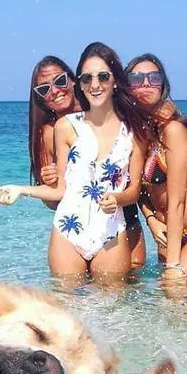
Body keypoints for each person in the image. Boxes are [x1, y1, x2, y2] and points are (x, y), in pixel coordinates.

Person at [0, 42, 151, 278]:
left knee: (115, 309)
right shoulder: (64, 127)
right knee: (66, 304)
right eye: (87, 78)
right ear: (81, 82)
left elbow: (134, 190)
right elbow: (60, 192)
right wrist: (20, 190)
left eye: (103, 76)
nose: (95, 84)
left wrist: (118, 199)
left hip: (112, 230)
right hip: (68, 230)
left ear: (115, 80)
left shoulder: (133, 130)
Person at [27, 55, 147, 267]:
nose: (54, 91)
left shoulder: (112, 112)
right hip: (77, 226)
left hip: (122, 218)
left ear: (75, 80)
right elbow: (54, 200)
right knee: (69, 296)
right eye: (44, 90)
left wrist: (152, 219)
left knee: (129, 291)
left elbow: (137, 176)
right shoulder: (48, 132)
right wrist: (53, 182)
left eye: (60, 81)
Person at [125, 53, 187, 278]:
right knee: (173, 307)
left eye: (153, 77)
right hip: (167, 233)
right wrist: (151, 220)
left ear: (163, 84)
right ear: (127, 87)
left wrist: (173, 264)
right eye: (137, 78)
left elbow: (177, 201)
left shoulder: (173, 130)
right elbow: (139, 190)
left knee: (173, 287)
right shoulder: (140, 132)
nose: (146, 83)